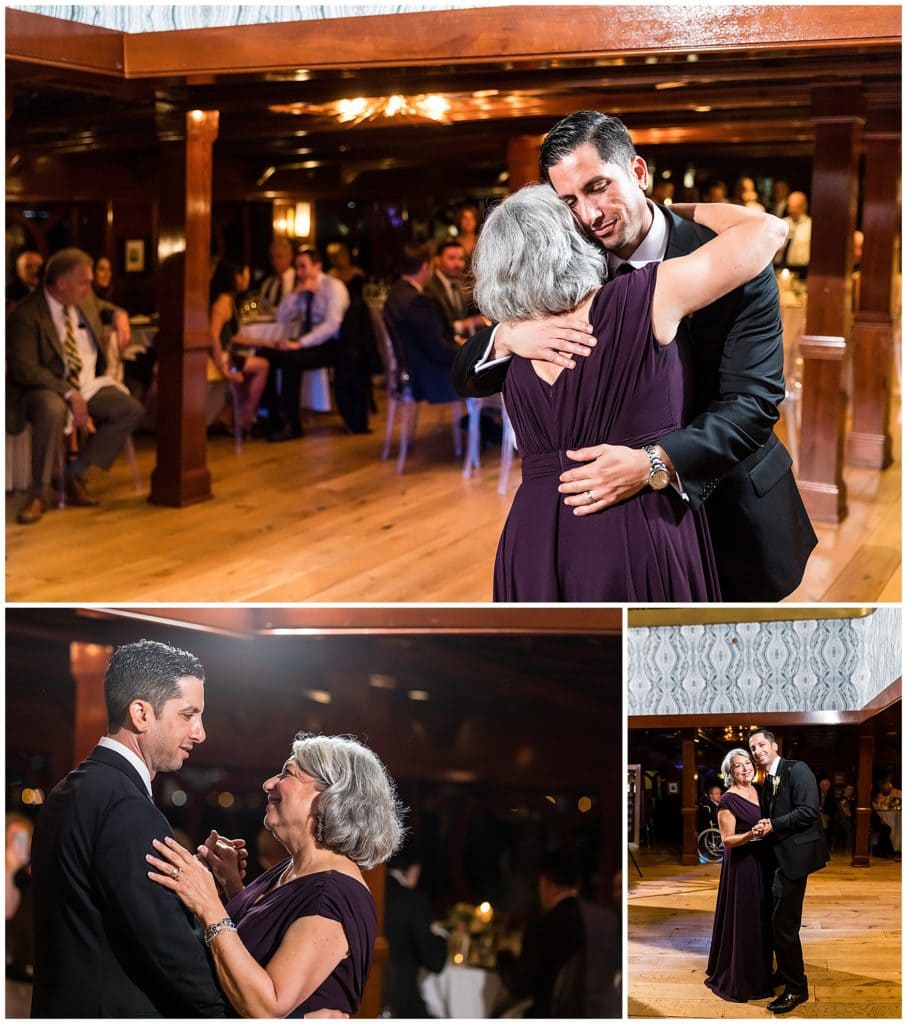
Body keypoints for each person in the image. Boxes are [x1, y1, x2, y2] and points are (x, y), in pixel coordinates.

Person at [452, 112, 816, 602]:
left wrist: (654, 461)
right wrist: (509, 336)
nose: (589, 214)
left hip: (725, 506)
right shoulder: (569, 264)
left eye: (599, 187)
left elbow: (753, 402)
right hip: (596, 528)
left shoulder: (725, 256)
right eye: (569, 202)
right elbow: (467, 373)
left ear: (638, 172)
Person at [30, 639, 229, 1017]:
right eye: (188, 715)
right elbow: (170, 951)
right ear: (141, 714)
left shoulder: (68, 791)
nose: (200, 732)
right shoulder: (128, 808)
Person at [146, 732, 404, 1018]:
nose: (269, 783)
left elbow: (268, 1004)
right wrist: (231, 886)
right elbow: (262, 944)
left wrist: (208, 903)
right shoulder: (294, 869)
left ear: (330, 797)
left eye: (288, 773)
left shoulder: (333, 894)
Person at [6, 246, 145, 525]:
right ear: (61, 284)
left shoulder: (85, 299)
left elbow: (106, 308)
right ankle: (39, 493)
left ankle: (71, 475)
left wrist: (120, 315)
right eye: (84, 282)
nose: (90, 287)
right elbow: (25, 369)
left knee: (130, 410)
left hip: (88, 383)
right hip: (44, 386)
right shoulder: (26, 314)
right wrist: (69, 392)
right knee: (52, 409)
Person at [748, 728, 828, 1014]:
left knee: (784, 924)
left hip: (796, 857)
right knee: (776, 921)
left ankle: (797, 988)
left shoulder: (797, 769)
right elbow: (776, 814)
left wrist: (774, 825)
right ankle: (784, 971)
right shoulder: (767, 779)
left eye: (761, 745)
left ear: (774, 745)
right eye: (752, 748)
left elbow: (809, 811)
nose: (757, 751)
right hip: (780, 856)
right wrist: (763, 826)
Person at [499, 851, 620, 1017]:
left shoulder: (542, 925)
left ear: (545, 882)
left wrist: (503, 957)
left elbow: (520, 986)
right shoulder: (607, 920)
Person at [704, 749, 773, 1003]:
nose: (745, 769)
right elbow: (727, 840)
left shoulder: (758, 790)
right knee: (745, 918)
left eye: (747, 764)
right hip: (742, 865)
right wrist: (751, 835)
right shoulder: (728, 801)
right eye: (738, 766)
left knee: (761, 916)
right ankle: (742, 975)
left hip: (762, 861)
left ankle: (761, 971)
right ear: (730, 773)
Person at [265, 247, 350, 441]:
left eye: (303, 267)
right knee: (268, 355)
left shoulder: (333, 287)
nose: (300, 273)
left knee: (290, 359)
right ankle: (272, 418)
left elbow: (331, 325)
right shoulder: (302, 289)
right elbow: (280, 318)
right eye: (297, 268)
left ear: (317, 266)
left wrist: (300, 343)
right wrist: (295, 294)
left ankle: (292, 425)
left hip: (334, 344)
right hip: (310, 341)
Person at [383, 243, 462, 404]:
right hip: (428, 377)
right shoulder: (419, 301)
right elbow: (438, 350)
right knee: (490, 368)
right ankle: (486, 424)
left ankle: (479, 421)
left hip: (412, 369)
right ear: (426, 267)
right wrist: (467, 349)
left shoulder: (395, 294)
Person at [383, 844, 448, 1017]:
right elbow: (435, 961)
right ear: (414, 870)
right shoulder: (412, 901)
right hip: (400, 1002)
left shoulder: (370, 889)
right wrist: (440, 935)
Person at [207, 259, 270, 435]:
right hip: (221, 357)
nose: (247, 279)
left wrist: (264, 343)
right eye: (246, 275)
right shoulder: (223, 302)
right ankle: (244, 420)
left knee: (253, 367)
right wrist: (223, 366)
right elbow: (213, 335)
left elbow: (232, 336)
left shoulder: (228, 300)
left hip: (226, 354)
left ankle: (230, 417)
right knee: (263, 366)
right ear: (236, 277)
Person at [423, 239, 487, 340]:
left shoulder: (461, 283)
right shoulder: (429, 288)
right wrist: (466, 324)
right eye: (451, 258)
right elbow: (435, 328)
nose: (457, 264)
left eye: (461, 258)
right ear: (437, 260)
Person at [5, 814, 35, 1018]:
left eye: (25, 838)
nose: (20, 844)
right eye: (16, 838)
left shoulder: (30, 877)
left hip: (30, 978)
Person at [773, 191, 811, 280]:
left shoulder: (810, 225)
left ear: (805, 207)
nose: (793, 210)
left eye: (797, 207)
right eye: (791, 206)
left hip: (802, 270)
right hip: (779, 269)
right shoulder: (781, 223)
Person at [259, 237, 296, 313]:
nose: (275, 261)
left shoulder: (299, 280)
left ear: (290, 256)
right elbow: (261, 308)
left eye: (279, 256)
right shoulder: (268, 283)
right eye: (272, 257)